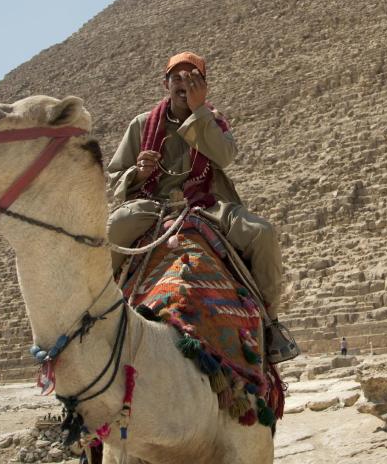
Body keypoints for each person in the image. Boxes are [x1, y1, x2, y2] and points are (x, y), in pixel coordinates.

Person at [106, 51, 300, 363]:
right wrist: (138, 173)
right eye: (177, 78)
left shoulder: (213, 119)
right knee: (110, 231)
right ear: (165, 83)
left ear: (203, 84)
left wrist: (199, 113)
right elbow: (116, 177)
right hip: (153, 205)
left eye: (192, 78)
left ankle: (270, 322)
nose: (184, 83)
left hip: (208, 203)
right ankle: (98, 309)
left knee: (262, 233)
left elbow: (224, 157)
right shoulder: (142, 125)